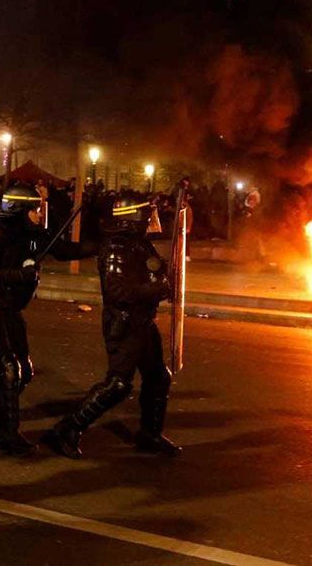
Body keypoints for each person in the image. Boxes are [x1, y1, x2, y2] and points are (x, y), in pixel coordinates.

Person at [42, 191, 179, 459]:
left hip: (143, 321)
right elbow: (118, 292)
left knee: (158, 377)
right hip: (125, 324)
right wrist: (159, 289)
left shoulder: (139, 243)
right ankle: (68, 429)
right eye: (146, 215)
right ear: (133, 217)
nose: (150, 219)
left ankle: (150, 434)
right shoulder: (116, 248)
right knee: (118, 384)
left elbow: (148, 273)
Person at [0, 182, 94, 456]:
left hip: (11, 311)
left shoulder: (31, 234)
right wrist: (18, 275)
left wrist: (100, 244)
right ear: (19, 210)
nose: (39, 214)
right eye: (34, 209)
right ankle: (6, 435)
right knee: (9, 369)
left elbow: (64, 249)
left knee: (22, 371)